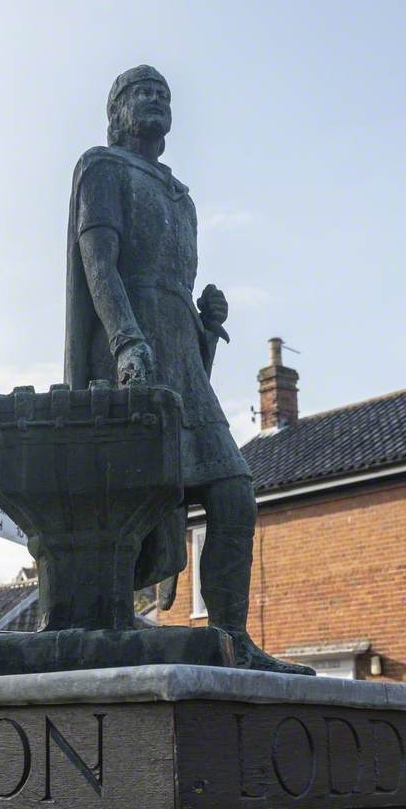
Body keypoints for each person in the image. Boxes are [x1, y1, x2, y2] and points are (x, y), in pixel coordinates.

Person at [64, 65, 261, 651]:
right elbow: (98, 263)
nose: (155, 100)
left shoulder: (182, 196)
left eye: (163, 95)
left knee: (234, 495)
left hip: (182, 358)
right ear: (117, 111)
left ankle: (230, 638)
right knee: (129, 502)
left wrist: (206, 326)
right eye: (141, 93)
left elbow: (174, 283)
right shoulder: (102, 167)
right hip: (132, 351)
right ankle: (104, 623)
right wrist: (126, 341)